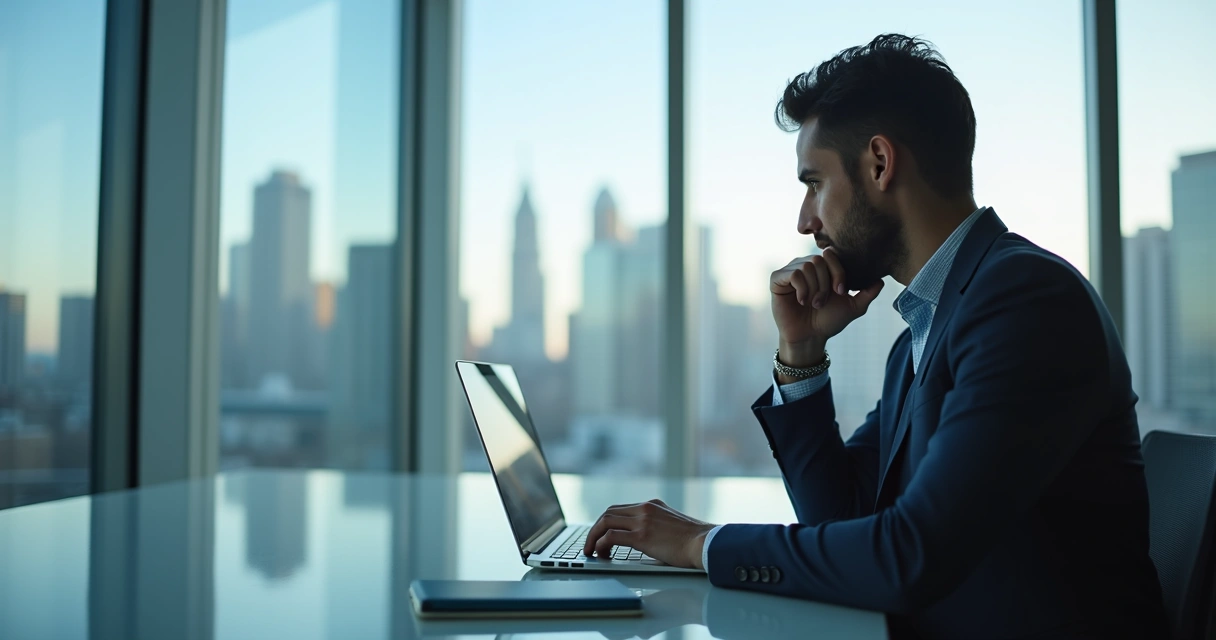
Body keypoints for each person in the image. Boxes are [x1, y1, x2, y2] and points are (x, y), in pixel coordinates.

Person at [581, 34, 1168, 639]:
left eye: (814, 184)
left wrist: (702, 543)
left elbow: (907, 556)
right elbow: (839, 517)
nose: (805, 221)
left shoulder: (1023, 301)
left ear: (880, 164)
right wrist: (802, 354)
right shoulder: (926, 329)